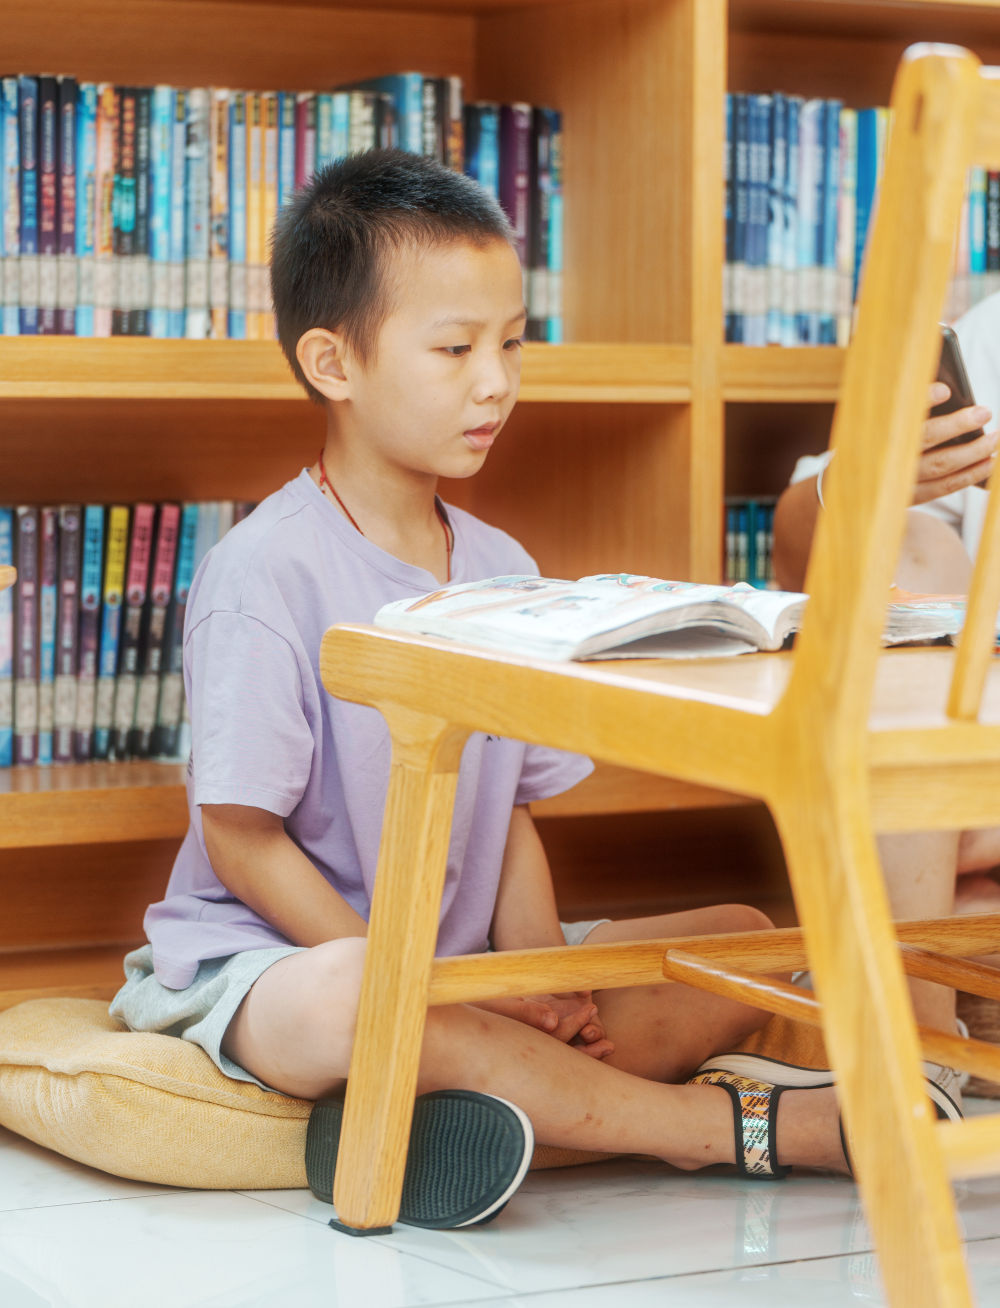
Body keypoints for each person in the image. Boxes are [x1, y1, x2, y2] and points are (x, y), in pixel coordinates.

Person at [110, 151, 956, 1231]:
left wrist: (544, 974)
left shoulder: (502, 567)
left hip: (467, 964)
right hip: (278, 963)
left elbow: (503, 808)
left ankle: (446, 1106)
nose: (496, 382)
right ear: (333, 362)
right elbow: (240, 841)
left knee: (739, 937)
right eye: (455, 349)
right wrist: (424, 976)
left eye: (511, 343)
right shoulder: (263, 572)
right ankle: (724, 1128)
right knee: (360, 998)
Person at [772, 292, 1000, 915]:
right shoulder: (993, 335)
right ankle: (914, 946)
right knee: (905, 540)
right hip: (973, 736)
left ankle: (929, 890)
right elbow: (797, 562)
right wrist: (857, 482)